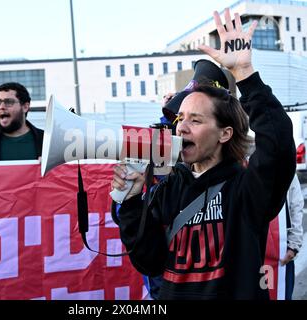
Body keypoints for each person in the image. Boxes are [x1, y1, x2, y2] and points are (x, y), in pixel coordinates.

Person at [111, 9, 296, 299]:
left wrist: (245, 75)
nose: (181, 127)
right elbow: (148, 261)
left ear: (225, 133)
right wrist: (133, 204)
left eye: (195, 120)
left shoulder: (247, 189)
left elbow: (279, 144)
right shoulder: (168, 188)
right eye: (180, 118)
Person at [281, 174, 304, 300]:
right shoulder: (247, 165)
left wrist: (293, 246)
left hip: (282, 251)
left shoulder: (286, 167)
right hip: (254, 253)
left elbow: (296, 205)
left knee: (283, 294)